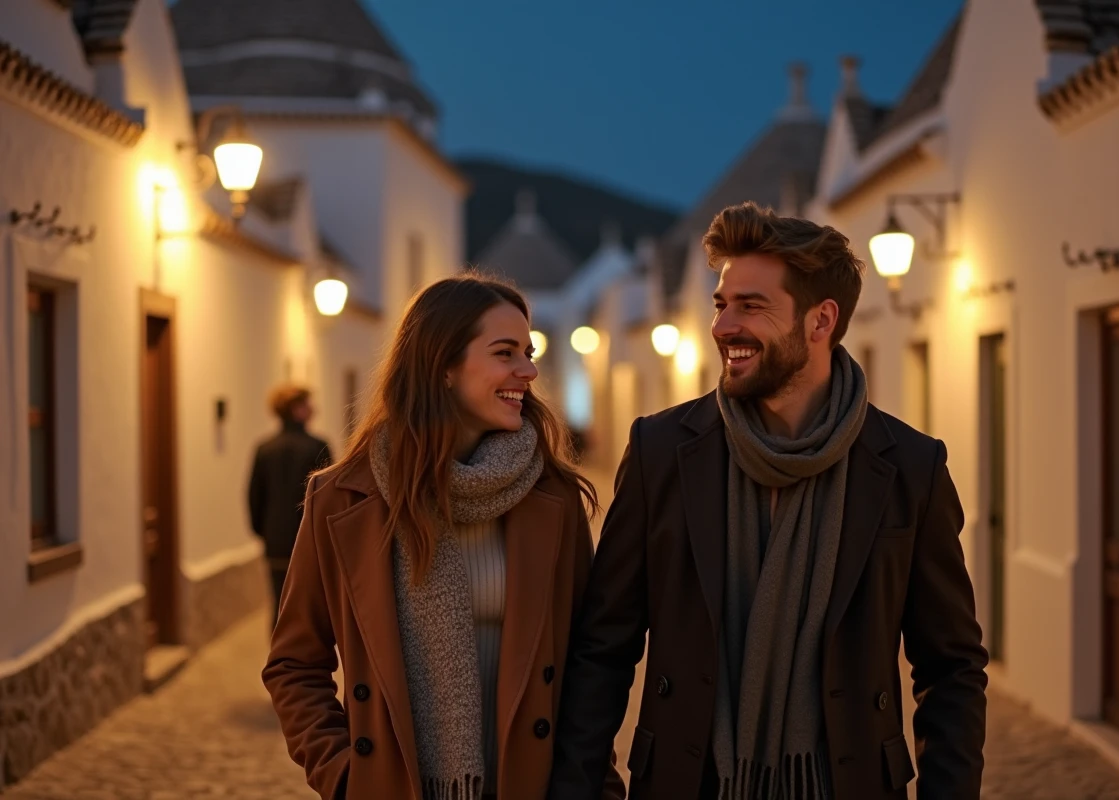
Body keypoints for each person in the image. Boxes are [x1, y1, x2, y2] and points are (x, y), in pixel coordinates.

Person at [549, 203, 988, 800]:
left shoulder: (909, 467)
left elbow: (951, 667)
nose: (724, 325)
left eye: (751, 306)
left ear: (820, 321)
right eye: (721, 304)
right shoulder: (663, 452)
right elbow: (603, 649)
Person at [262, 274, 625, 800]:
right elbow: (294, 664)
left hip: (533, 785)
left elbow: (586, 660)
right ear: (444, 367)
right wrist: (344, 777)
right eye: (506, 353)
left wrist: (589, 782)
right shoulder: (342, 499)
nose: (529, 370)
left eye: (528, 351)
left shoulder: (554, 498)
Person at [248, 384, 331, 625]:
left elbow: (254, 497)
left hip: (274, 541)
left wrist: (263, 531)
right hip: (308, 538)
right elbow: (328, 499)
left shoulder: (264, 449)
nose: (313, 409)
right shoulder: (317, 447)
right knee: (308, 604)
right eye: (307, 404)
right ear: (296, 409)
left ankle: (277, 656)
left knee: (279, 602)